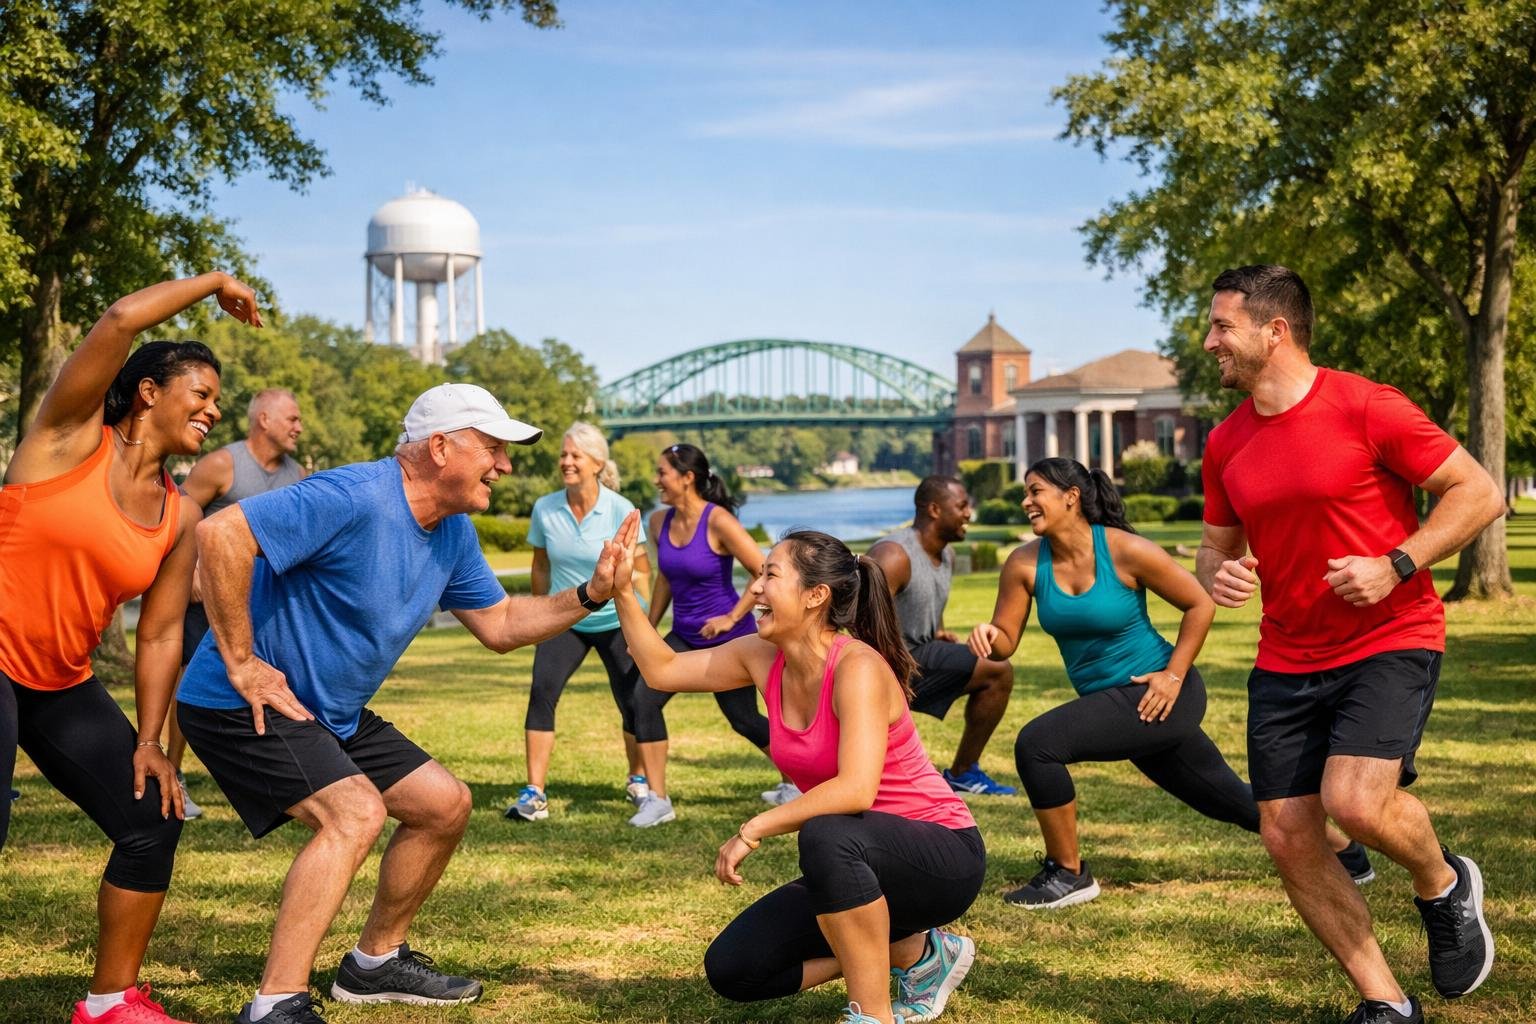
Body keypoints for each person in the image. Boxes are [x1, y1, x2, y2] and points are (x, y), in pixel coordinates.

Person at [176, 382, 639, 1024]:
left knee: (444, 805)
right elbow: (222, 534)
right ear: (441, 447)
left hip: (328, 710)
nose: (505, 465)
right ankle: (275, 1003)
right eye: (493, 448)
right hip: (237, 702)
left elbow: (501, 624)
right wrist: (242, 662)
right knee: (355, 813)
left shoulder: (452, 535)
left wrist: (590, 593)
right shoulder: (354, 494)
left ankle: (373, 964)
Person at [1196, 265, 1505, 1024]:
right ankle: (1385, 1002)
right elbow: (1213, 549)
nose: (1209, 343)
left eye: (1221, 326)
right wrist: (1222, 575)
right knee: (1287, 831)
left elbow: (1479, 491)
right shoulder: (1225, 443)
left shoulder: (1366, 405)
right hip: (1286, 654)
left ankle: (1443, 882)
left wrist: (1396, 563)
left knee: (1355, 803)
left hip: (1391, 636)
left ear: (1276, 332)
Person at [0, 272, 261, 1024]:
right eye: (202, 393)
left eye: (218, 401)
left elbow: (159, 631)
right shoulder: (66, 438)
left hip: (58, 681)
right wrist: (212, 281)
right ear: (148, 391)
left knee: (152, 816)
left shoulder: (180, 514)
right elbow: (117, 318)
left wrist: (151, 740)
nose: (214, 411)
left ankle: (110, 1003)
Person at [613, 529, 985, 1024]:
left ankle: (871, 1014)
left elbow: (856, 789)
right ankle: (919, 955)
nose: (757, 588)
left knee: (827, 833)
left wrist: (755, 828)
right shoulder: (760, 656)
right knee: (734, 969)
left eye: (770, 574)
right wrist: (619, 590)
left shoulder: (857, 667)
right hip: (855, 861)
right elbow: (661, 669)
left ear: (816, 595)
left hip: (941, 856)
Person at [968, 456, 1372, 909]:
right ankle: (1347, 853)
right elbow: (1005, 641)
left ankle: (1069, 873)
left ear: (1071, 496)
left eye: (1035, 491)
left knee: (1037, 745)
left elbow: (1199, 604)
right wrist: (990, 637)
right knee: (1230, 800)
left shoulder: (1123, 550)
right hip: (1120, 706)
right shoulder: (1024, 564)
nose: (1026, 502)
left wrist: (1172, 676)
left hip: (1161, 693)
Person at [628, 443, 796, 828]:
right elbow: (666, 579)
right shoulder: (659, 522)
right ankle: (657, 799)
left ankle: (796, 783)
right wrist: (649, 629)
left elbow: (763, 570)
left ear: (687, 478)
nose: (657, 480)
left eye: (662, 473)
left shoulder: (717, 520)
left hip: (729, 639)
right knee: (644, 699)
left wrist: (731, 616)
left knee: (742, 718)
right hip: (685, 633)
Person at [168, 387, 307, 818]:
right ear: (264, 419)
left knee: (268, 684)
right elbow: (179, 515)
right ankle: (171, 776)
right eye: (292, 419)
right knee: (190, 683)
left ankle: (276, 779)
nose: (299, 427)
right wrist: (188, 574)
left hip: (259, 606)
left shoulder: (298, 476)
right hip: (205, 599)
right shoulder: (223, 464)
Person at [506, 421, 653, 822]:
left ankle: (638, 780)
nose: (566, 462)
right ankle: (534, 792)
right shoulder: (545, 508)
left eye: (575, 456)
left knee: (632, 699)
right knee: (542, 693)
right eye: (563, 455)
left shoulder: (620, 509)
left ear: (597, 463)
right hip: (565, 618)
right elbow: (541, 566)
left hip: (614, 619)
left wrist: (641, 619)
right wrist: (540, 614)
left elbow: (641, 571)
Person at [866, 476, 1017, 795]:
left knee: (995, 670)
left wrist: (937, 632)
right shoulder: (893, 555)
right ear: (935, 509)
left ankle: (963, 773)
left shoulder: (945, 554)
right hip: (885, 665)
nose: (969, 513)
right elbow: (859, 619)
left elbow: (918, 603)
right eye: (962, 505)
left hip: (917, 655)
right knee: (998, 669)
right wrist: (881, 676)